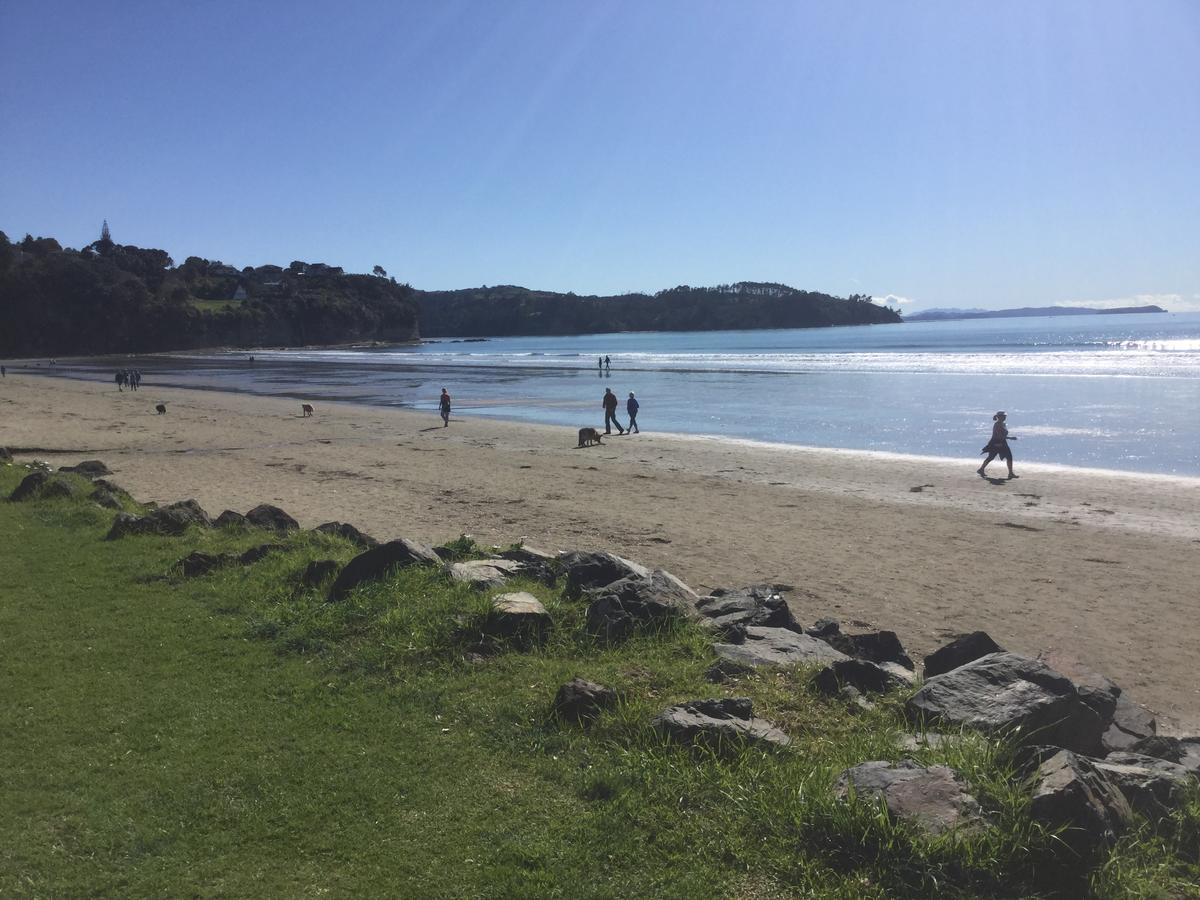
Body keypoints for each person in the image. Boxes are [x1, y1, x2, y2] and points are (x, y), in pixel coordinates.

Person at [978, 410, 1017, 478]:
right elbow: (999, 436)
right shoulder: (997, 424)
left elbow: (1002, 435)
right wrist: (1010, 438)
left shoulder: (1003, 423)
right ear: (999, 417)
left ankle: (1010, 473)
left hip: (1002, 442)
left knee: (1009, 457)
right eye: (1003, 416)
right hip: (996, 443)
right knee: (991, 457)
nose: (1004, 417)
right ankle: (981, 469)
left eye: (1005, 416)